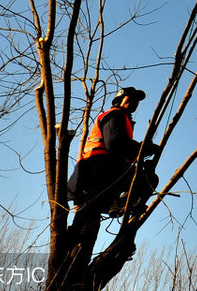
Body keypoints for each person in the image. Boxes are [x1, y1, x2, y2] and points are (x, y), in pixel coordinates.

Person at [67, 86, 158, 218]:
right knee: (148, 179)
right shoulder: (115, 114)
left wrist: (140, 156)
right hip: (98, 168)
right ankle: (124, 204)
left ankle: (122, 205)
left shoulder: (123, 118)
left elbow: (120, 151)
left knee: (89, 220)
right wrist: (143, 149)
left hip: (100, 172)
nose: (134, 102)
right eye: (130, 97)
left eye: (137, 100)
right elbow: (115, 145)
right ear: (119, 99)